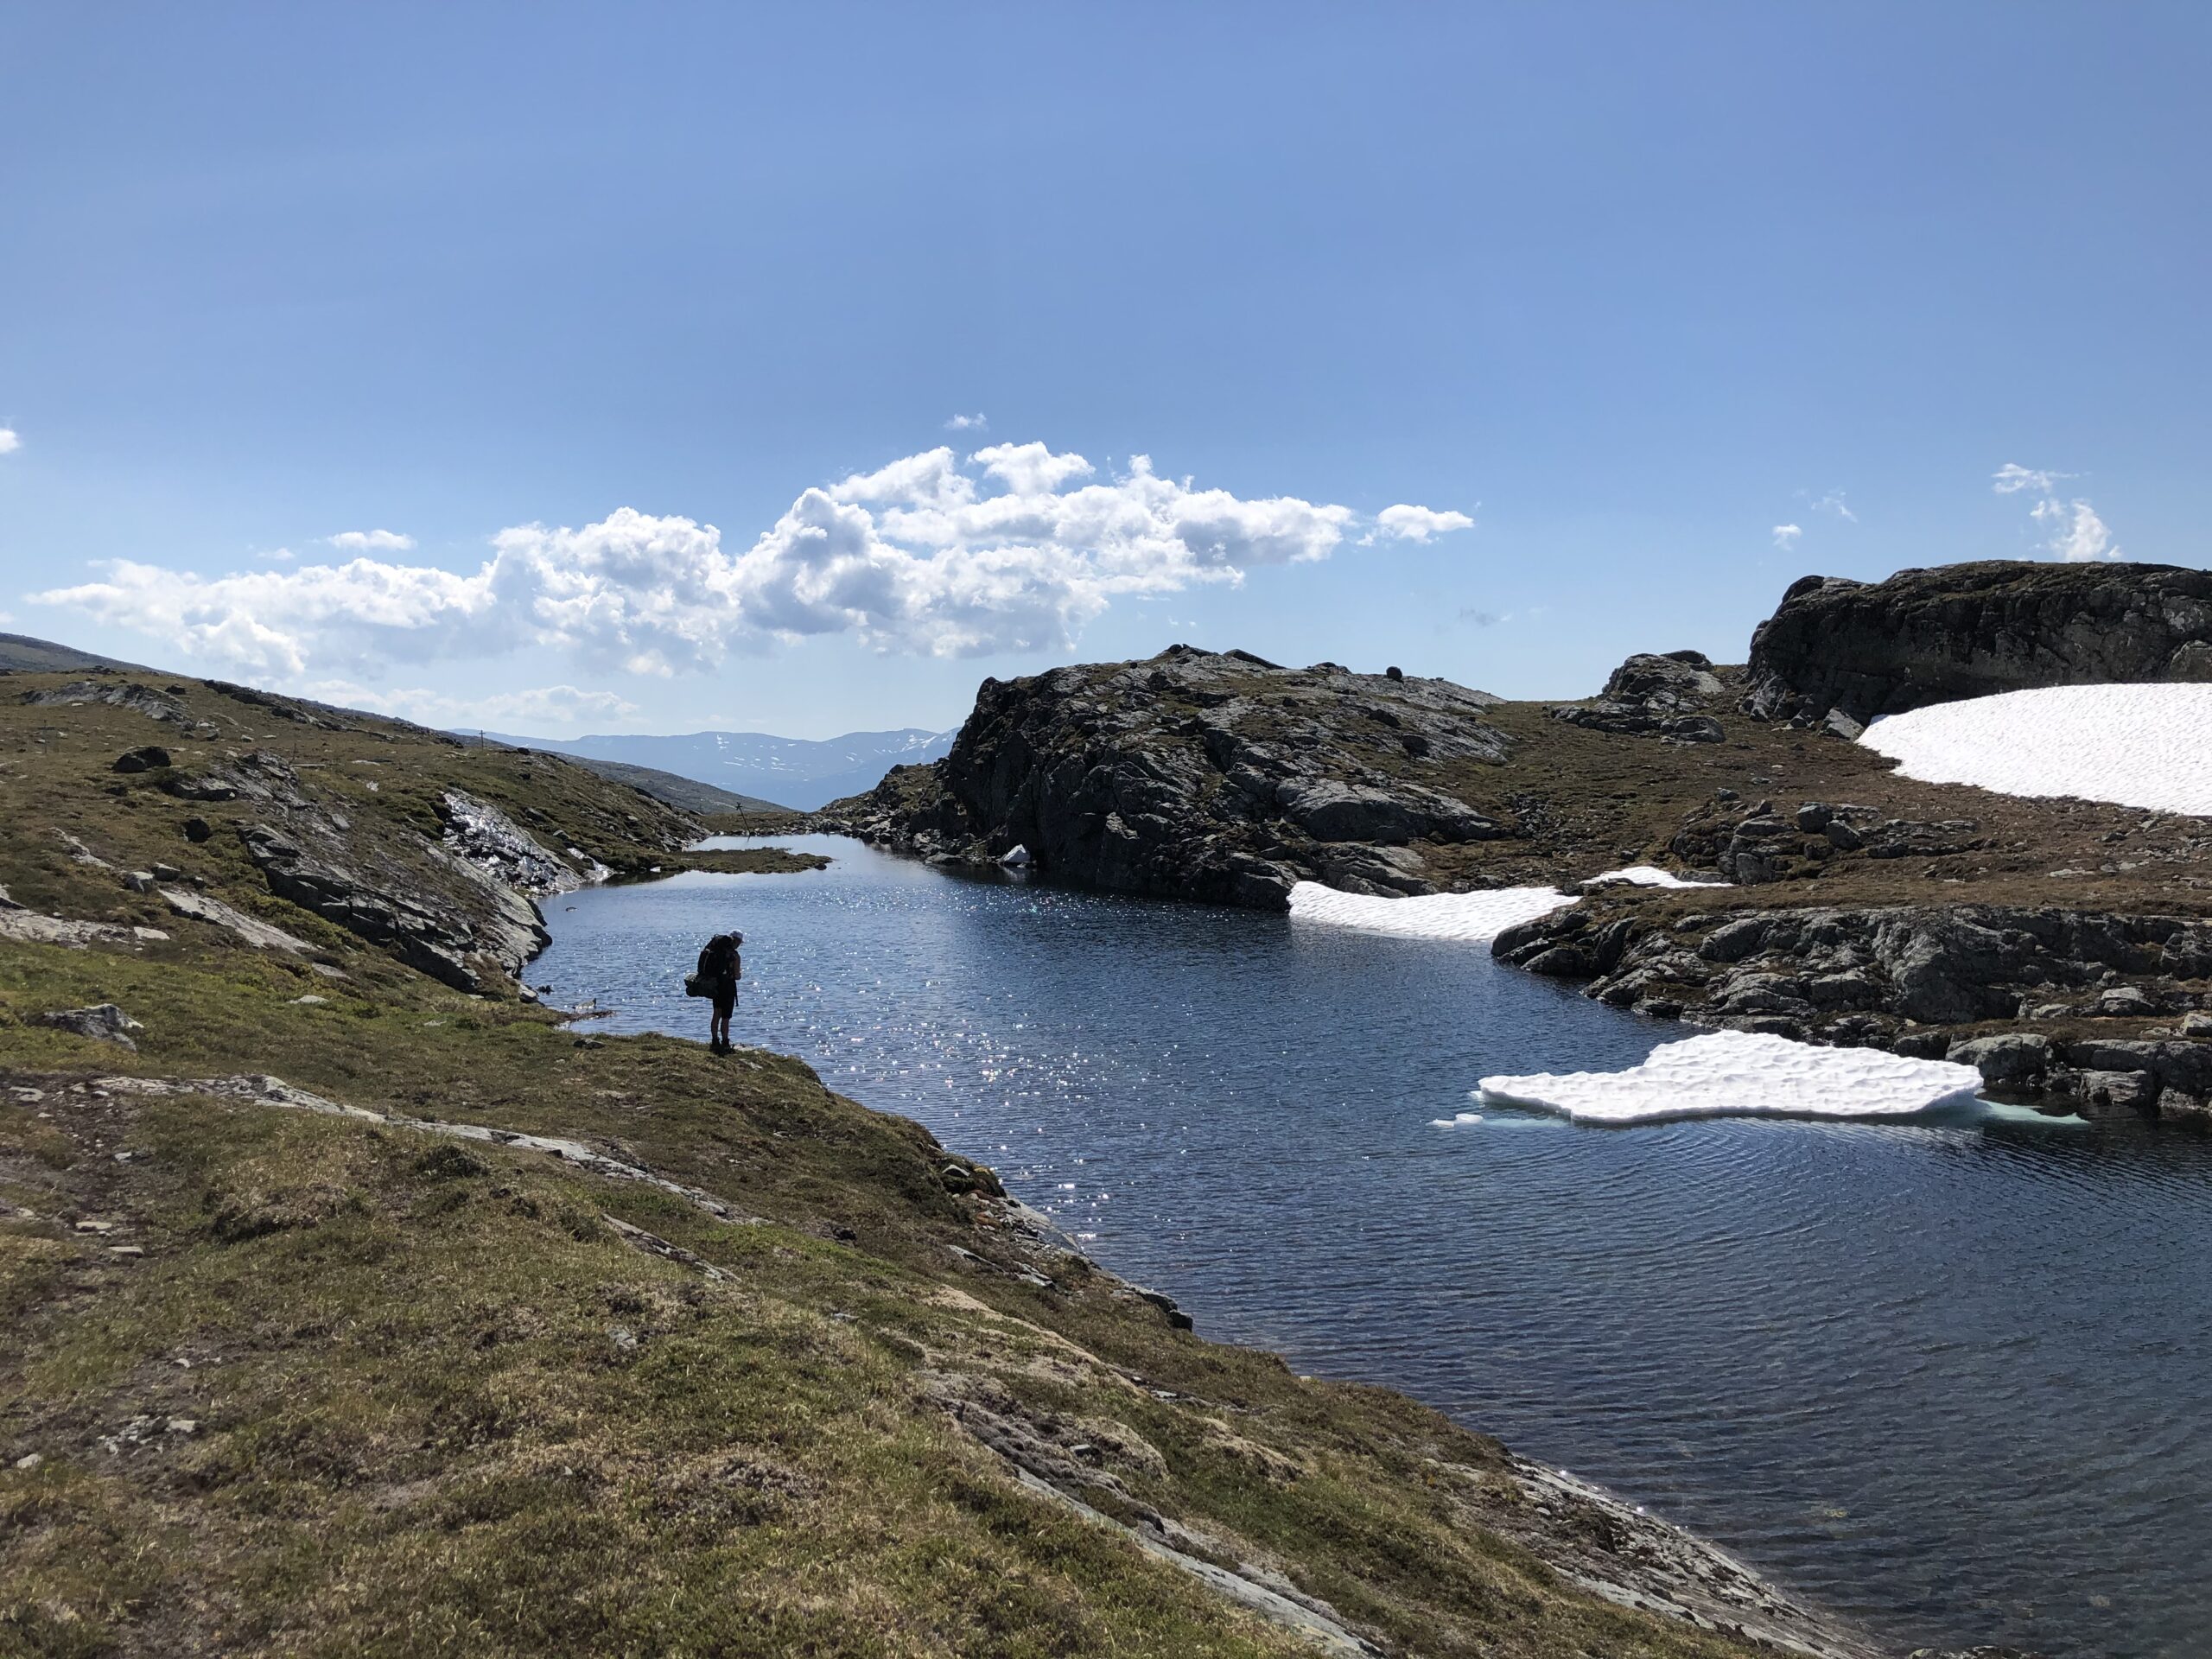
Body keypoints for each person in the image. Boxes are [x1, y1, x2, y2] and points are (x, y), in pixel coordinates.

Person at [696, 930, 742, 1053]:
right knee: (726, 1017)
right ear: (737, 942)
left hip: (716, 986)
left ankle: (714, 1039)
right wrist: (738, 974)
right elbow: (737, 976)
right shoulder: (735, 956)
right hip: (728, 988)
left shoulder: (716, 950)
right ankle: (725, 1041)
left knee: (716, 1013)